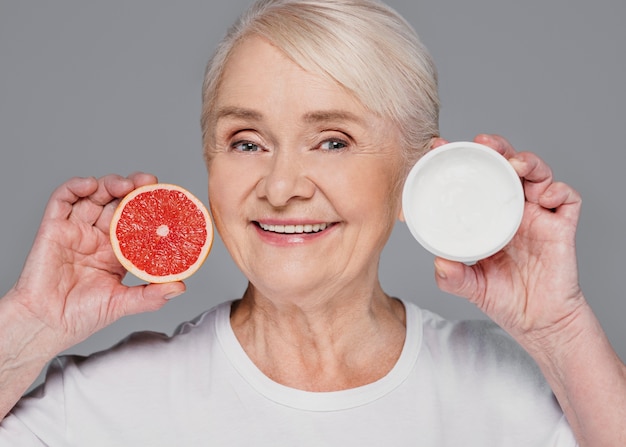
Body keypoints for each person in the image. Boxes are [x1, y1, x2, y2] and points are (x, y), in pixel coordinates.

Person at [0, 0, 624, 445]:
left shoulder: (525, 395)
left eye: (332, 141)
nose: (280, 187)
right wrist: (30, 323)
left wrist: (560, 330)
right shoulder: (102, 406)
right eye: (246, 142)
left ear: (416, 179)